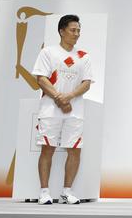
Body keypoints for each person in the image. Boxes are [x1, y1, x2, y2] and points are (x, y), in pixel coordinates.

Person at [32, 15, 93, 205]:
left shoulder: (84, 56)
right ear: (61, 31)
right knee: (47, 149)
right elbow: (41, 79)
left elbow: (87, 83)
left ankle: (67, 192)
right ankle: (44, 192)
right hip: (50, 110)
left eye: (79, 30)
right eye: (73, 30)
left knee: (74, 150)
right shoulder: (48, 52)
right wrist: (59, 98)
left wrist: (69, 97)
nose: (77, 34)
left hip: (74, 111)